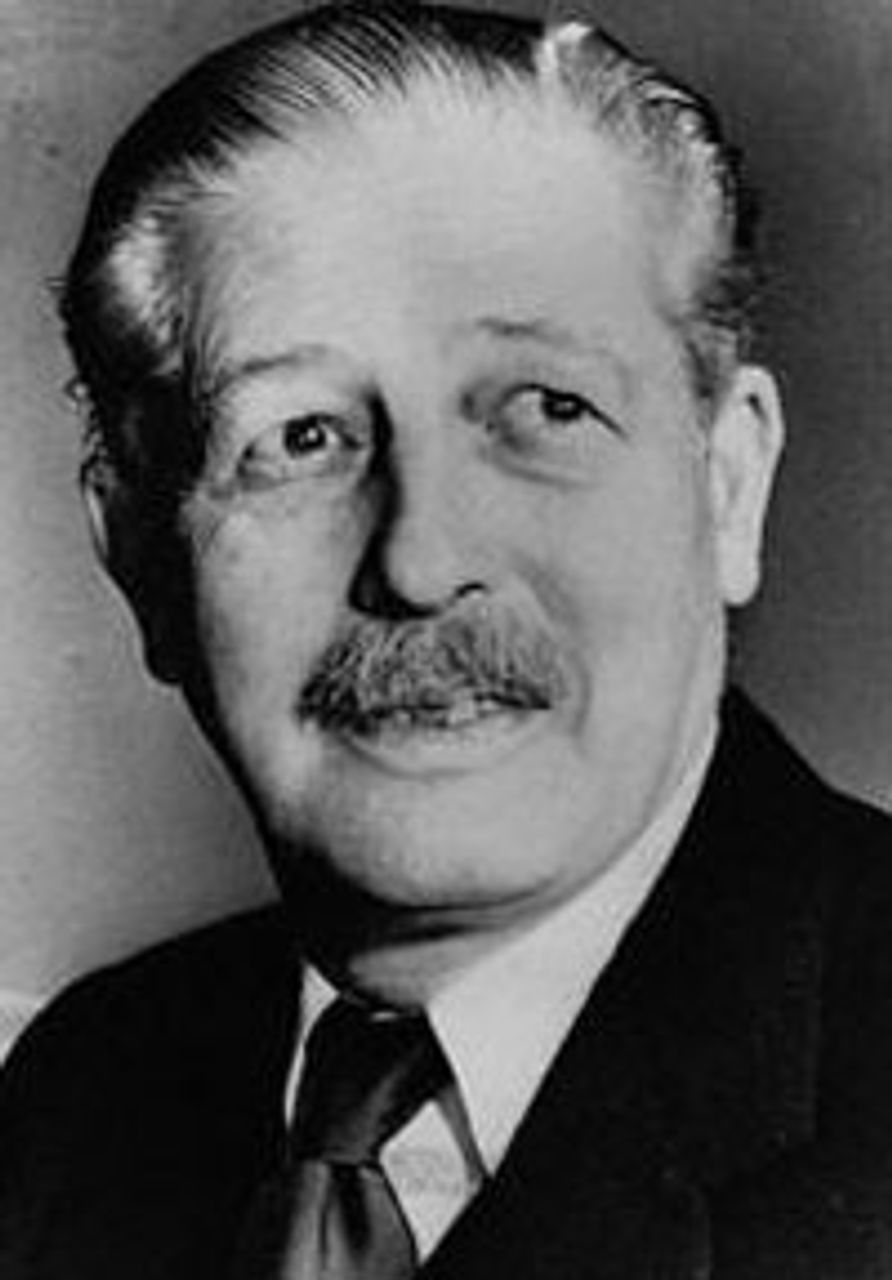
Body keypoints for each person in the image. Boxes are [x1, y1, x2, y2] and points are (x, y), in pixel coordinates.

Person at [2, 3, 891, 1276]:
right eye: (301, 437)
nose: (419, 563)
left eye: (545, 408)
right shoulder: (74, 1100)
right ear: (140, 555)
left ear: (728, 482)